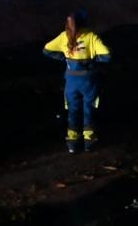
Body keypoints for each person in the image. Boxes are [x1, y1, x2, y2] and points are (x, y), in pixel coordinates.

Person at [43, 10, 111, 153]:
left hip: (71, 81)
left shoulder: (64, 37)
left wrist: (64, 58)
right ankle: (89, 142)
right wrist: (93, 61)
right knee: (89, 109)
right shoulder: (91, 37)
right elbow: (107, 55)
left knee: (73, 111)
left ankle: (72, 143)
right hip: (89, 81)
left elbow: (46, 50)